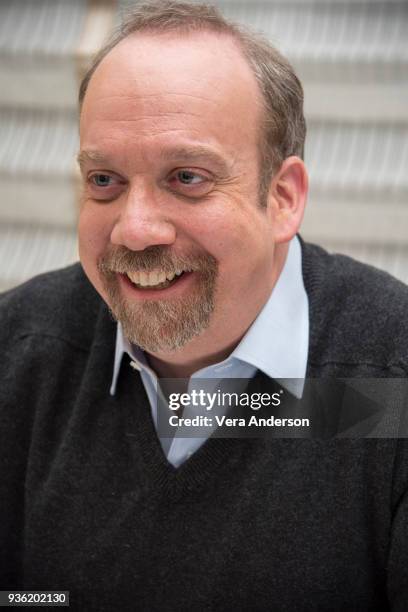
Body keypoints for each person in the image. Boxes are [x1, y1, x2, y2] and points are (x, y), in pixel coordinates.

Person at [1, 1, 407, 610]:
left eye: (187, 177)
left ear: (283, 196)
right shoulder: (19, 356)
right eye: (104, 180)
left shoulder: (388, 385)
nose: (134, 231)